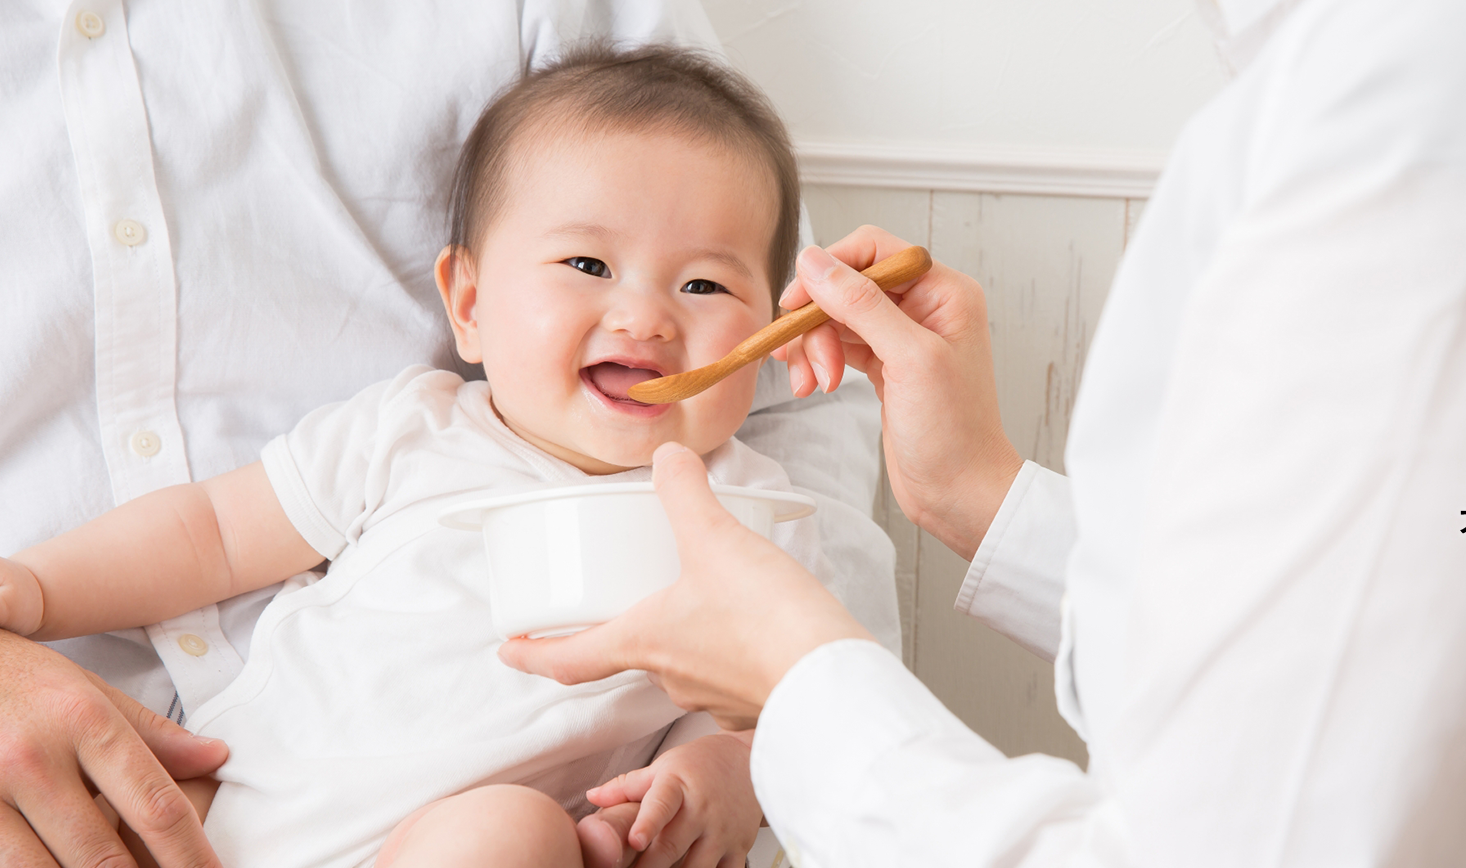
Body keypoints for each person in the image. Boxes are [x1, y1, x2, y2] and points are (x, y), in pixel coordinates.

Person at [499, 0, 1466, 863]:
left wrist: (797, 681)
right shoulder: (1389, 76)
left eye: (699, 279)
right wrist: (978, 490)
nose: (641, 315)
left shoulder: (1447, 96)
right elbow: (1327, 631)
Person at [1, 5, 894, 868]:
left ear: (772, 333)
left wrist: (718, 779)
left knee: (514, 833)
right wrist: (35, 591)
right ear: (468, 305)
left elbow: (768, 703)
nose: (646, 318)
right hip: (232, 809)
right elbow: (210, 534)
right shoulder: (407, 427)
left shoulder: (752, 514)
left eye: (704, 286)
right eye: (588, 265)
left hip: (455, 842)